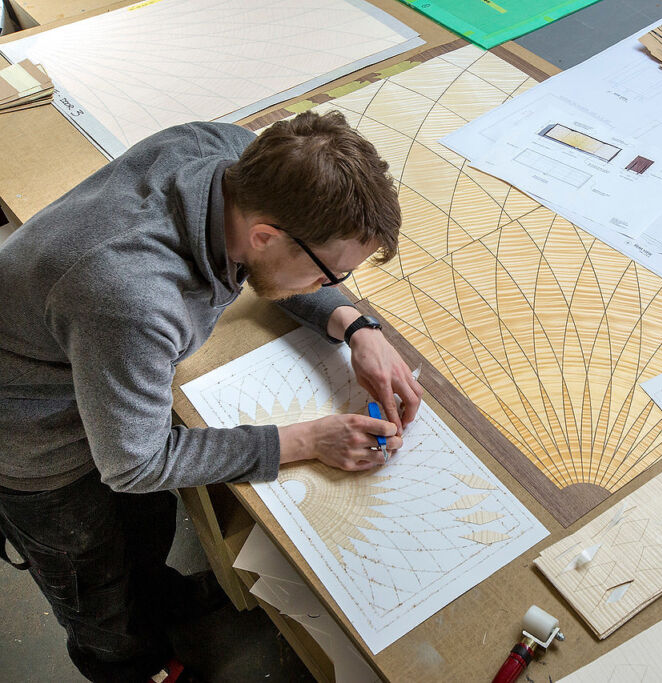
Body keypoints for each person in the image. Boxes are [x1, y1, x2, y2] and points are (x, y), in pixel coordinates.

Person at [0, 110, 423, 681]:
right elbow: (134, 463)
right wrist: (304, 440)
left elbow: (270, 271)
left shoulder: (229, 156)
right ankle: (133, 664)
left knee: (146, 531)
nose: (329, 286)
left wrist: (356, 328)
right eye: (329, 275)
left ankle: (156, 595)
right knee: (92, 582)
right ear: (265, 235)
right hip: (33, 440)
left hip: (97, 369)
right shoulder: (131, 297)